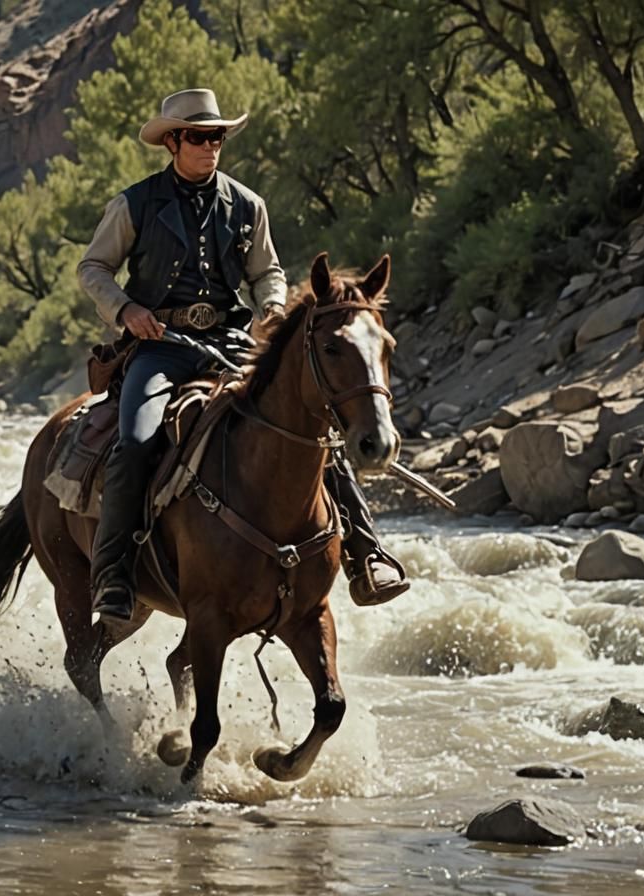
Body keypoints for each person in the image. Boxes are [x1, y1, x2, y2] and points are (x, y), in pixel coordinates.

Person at [76, 88, 409, 622]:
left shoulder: (247, 205)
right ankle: (113, 576)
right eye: (200, 137)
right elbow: (93, 268)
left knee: (316, 431)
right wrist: (126, 309)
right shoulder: (133, 204)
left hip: (230, 343)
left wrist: (271, 306)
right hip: (158, 347)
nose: (212, 146)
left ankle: (365, 556)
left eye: (218, 137)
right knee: (135, 442)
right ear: (173, 142)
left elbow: (267, 273)